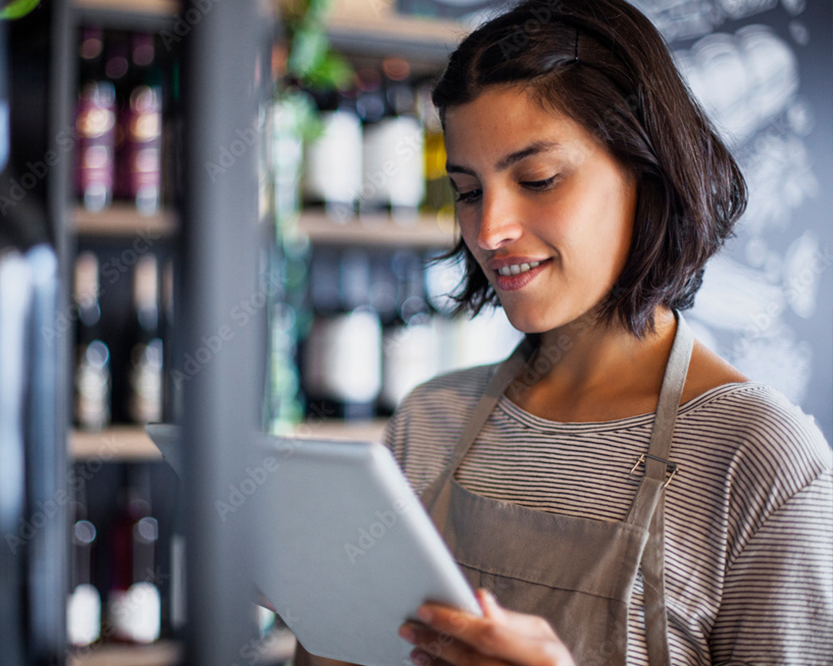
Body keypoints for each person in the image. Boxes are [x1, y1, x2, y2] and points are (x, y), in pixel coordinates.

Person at [295, 0, 833, 665]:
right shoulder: (428, 422)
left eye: (536, 179)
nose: (488, 231)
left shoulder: (759, 459)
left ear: (647, 171)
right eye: (467, 191)